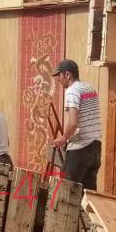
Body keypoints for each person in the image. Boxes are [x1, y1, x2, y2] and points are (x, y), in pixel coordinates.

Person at [50, 59, 101, 189]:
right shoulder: (90, 89)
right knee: (88, 195)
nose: (58, 79)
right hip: (95, 148)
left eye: (59, 75)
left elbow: (73, 123)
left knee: (65, 192)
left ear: (67, 74)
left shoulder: (72, 91)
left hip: (80, 148)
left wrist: (63, 139)